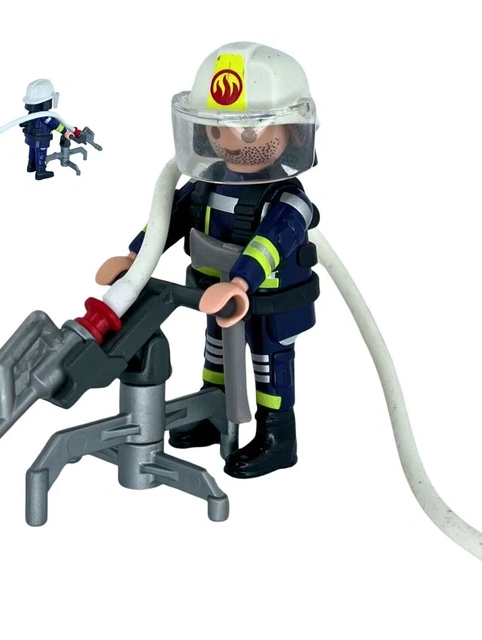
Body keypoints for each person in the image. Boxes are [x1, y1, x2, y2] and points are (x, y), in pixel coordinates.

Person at [97, 42, 320, 478]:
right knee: (215, 354)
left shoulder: (288, 199)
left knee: (269, 362)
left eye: (249, 133)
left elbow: (270, 244)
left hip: (268, 300)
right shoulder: (207, 184)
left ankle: (277, 435)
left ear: (291, 132)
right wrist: (136, 259)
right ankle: (212, 413)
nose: (231, 143)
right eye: (218, 131)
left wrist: (241, 282)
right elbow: (169, 217)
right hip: (214, 294)